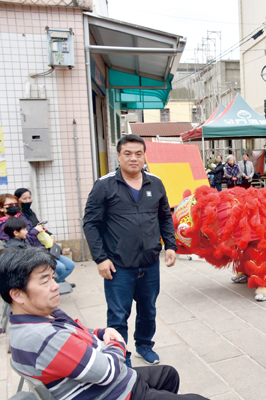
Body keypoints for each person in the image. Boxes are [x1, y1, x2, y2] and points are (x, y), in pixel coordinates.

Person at [1, 246, 209, 400]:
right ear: (17, 294)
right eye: (45, 281)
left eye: (54, 278)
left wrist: (101, 333)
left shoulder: (35, 318)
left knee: (168, 374)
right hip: (113, 392)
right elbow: (109, 371)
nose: (56, 286)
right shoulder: (45, 338)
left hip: (103, 383)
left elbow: (76, 330)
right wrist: (116, 342)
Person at [83, 134, 178, 367]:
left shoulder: (154, 182)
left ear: (144, 156)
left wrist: (171, 245)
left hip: (149, 263)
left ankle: (144, 345)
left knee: (148, 310)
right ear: (118, 155)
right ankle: (119, 356)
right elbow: (90, 223)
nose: (133, 158)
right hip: (118, 265)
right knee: (118, 315)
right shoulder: (104, 185)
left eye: (138, 153)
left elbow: (165, 216)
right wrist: (100, 258)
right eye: (128, 153)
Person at [0, 194, 76, 284]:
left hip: (41, 249)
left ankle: (55, 284)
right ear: (1, 208)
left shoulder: (21, 217)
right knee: (60, 268)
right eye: (10, 205)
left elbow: (31, 230)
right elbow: (19, 242)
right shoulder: (4, 225)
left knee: (70, 265)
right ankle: (48, 286)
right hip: (31, 254)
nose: (15, 207)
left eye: (16, 204)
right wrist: (35, 231)